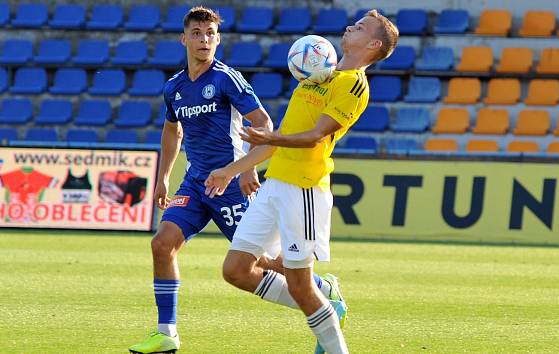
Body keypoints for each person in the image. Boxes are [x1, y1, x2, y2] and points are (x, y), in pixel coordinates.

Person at [129, 6, 337, 354]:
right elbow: (172, 131)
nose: (204, 40)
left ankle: (324, 291)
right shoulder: (174, 88)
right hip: (196, 183)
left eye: (210, 33)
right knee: (161, 243)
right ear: (184, 39)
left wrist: (245, 168)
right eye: (197, 33)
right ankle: (166, 333)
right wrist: (164, 177)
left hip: (231, 184)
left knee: (267, 263)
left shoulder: (227, 79)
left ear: (218, 39)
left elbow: (265, 125)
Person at [205, 9, 399, 354]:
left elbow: (313, 137)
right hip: (275, 185)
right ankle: (326, 308)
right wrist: (231, 170)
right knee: (235, 270)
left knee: (299, 283)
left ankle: (333, 339)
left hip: (305, 189)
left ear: (373, 44)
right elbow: (279, 138)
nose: (350, 26)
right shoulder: (315, 77)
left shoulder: (353, 84)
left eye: (361, 26)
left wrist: (269, 140)